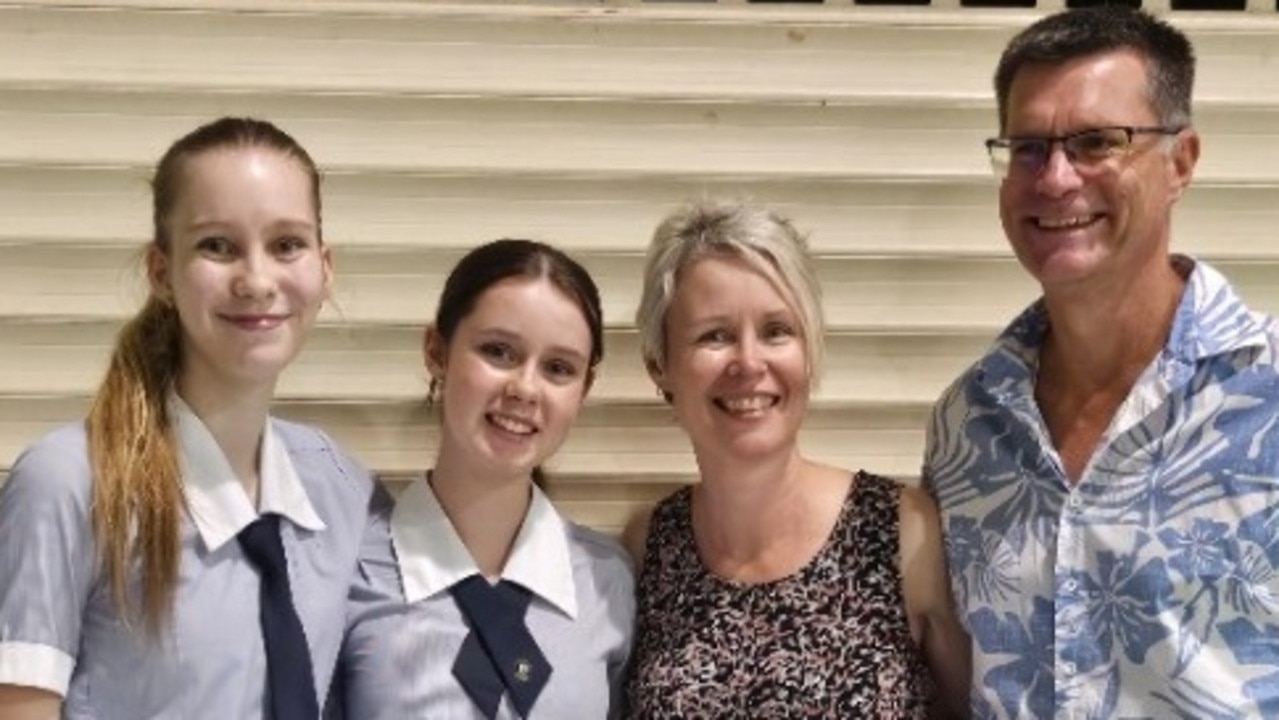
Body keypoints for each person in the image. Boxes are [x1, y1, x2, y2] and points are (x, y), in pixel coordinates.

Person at [923, 6, 1279, 718]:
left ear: (1179, 161)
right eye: (1026, 147)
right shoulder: (968, 423)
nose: (1054, 178)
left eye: (1095, 142)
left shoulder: (1264, 399)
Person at [0, 117, 375, 719]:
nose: (256, 281)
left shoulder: (343, 489)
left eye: (287, 245)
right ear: (161, 272)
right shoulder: (71, 481)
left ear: (324, 267)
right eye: (216, 246)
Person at [623, 199, 969, 719]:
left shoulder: (904, 534)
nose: (748, 361)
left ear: (809, 352)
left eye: (776, 330)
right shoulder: (650, 544)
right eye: (714, 335)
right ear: (660, 366)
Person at [336, 239, 635, 719]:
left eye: (559, 368)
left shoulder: (607, 583)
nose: (525, 389)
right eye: (498, 351)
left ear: (585, 388)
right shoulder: (348, 573)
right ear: (437, 351)